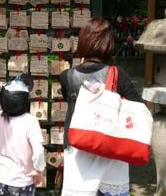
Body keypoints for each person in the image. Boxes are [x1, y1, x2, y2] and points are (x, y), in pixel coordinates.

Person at [60, 18, 143, 196]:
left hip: (78, 148)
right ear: (108, 41)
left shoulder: (67, 76)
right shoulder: (118, 74)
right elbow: (138, 108)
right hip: (110, 147)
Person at [0, 74, 45, 196]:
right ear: (24, 100)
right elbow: (39, 151)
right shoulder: (30, 121)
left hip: (0, 178)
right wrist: (39, 170)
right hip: (22, 181)